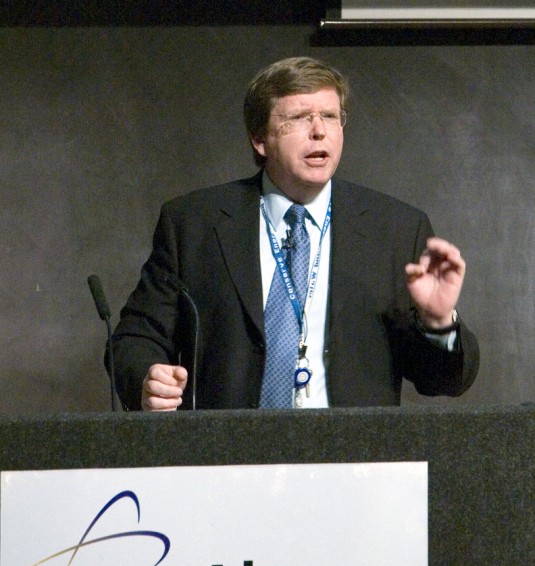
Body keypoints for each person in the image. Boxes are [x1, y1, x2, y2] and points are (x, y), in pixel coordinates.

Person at [109, 56, 479, 411]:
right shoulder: (194, 223)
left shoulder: (395, 229)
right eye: (300, 117)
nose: (319, 130)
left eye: (331, 117)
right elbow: (135, 338)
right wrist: (147, 379)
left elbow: (443, 381)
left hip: (354, 463)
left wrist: (437, 324)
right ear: (260, 138)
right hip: (227, 460)